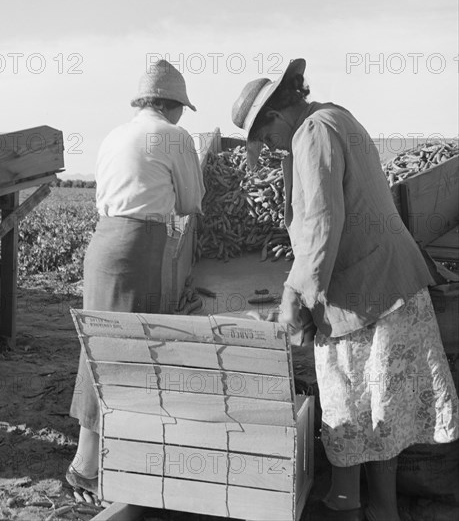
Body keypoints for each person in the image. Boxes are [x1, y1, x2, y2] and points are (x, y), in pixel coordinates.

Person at [231, 59, 459, 521]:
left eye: (266, 137)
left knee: (351, 412)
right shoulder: (337, 116)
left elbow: (320, 226)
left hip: (366, 298)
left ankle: (350, 507)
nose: (270, 148)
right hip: (387, 289)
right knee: (381, 416)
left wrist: (294, 302)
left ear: (277, 114)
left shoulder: (311, 133)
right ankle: (378, 508)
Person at [66, 59, 205, 494]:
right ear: (172, 105)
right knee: (128, 352)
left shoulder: (114, 134)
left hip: (104, 243)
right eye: (182, 106)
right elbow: (190, 202)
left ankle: (99, 459)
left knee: (100, 348)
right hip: (138, 249)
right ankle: (87, 466)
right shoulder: (174, 136)